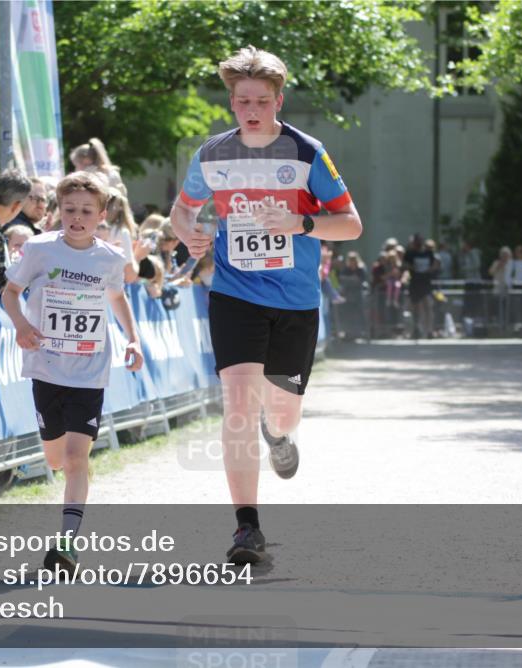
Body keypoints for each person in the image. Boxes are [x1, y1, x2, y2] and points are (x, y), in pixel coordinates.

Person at [170, 46, 362, 564]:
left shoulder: (306, 152)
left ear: (279, 100)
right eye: (241, 101)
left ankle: (277, 434)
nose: (251, 109)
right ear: (231, 103)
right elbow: (181, 213)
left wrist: (300, 224)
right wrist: (189, 236)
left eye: (260, 100)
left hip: (296, 301)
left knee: (281, 409)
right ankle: (246, 529)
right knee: (236, 404)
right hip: (235, 294)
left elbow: (351, 224)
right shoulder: (211, 155)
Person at [1, 171, 144, 575]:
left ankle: (66, 543)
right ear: (57, 212)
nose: (77, 218)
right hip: (46, 367)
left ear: (102, 215)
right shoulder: (39, 249)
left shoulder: (110, 258)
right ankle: (64, 486)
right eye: (69, 210)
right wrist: (22, 325)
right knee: (56, 457)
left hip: (89, 370)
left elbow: (117, 299)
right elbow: (10, 292)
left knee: (77, 457)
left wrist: (133, 339)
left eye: (86, 211)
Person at [404, 233, 439, 339]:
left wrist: (430, 270)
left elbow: (435, 264)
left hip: (426, 283)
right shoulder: (410, 253)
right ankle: (416, 329)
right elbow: (405, 264)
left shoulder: (429, 253)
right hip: (415, 283)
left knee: (428, 306)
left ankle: (429, 330)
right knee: (415, 308)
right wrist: (413, 268)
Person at [337, 250, 368, 339]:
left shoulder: (361, 269)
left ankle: (360, 332)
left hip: (358, 296)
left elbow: (360, 280)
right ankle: (348, 333)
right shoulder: (346, 269)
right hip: (348, 296)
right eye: (350, 259)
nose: (352, 261)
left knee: (358, 314)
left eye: (353, 259)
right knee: (348, 315)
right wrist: (352, 279)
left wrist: (350, 280)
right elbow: (342, 279)